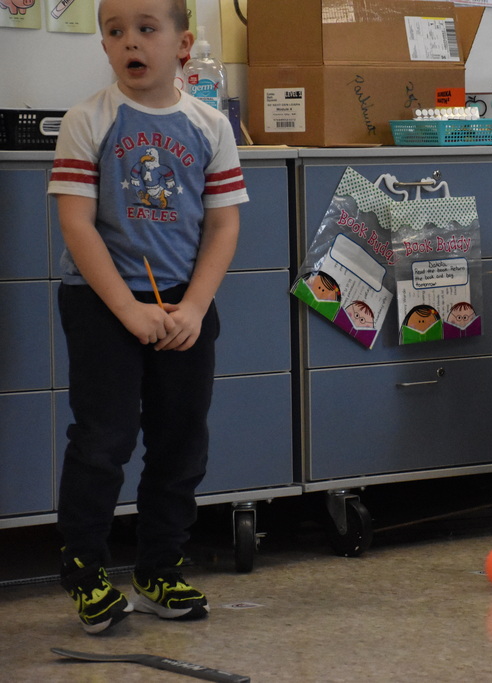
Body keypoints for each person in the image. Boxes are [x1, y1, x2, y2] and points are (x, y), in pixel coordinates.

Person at [47, 0, 247, 634]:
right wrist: (127, 309)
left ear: (183, 43)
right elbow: (77, 224)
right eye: (115, 32)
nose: (129, 42)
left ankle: (160, 568)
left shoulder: (210, 125)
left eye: (145, 29)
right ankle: (87, 574)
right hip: (104, 305)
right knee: (103, 442)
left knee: (181, 442)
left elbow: (223, 223)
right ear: (105, 46)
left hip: (184, 305)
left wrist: (193, 305)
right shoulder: (88, 121)